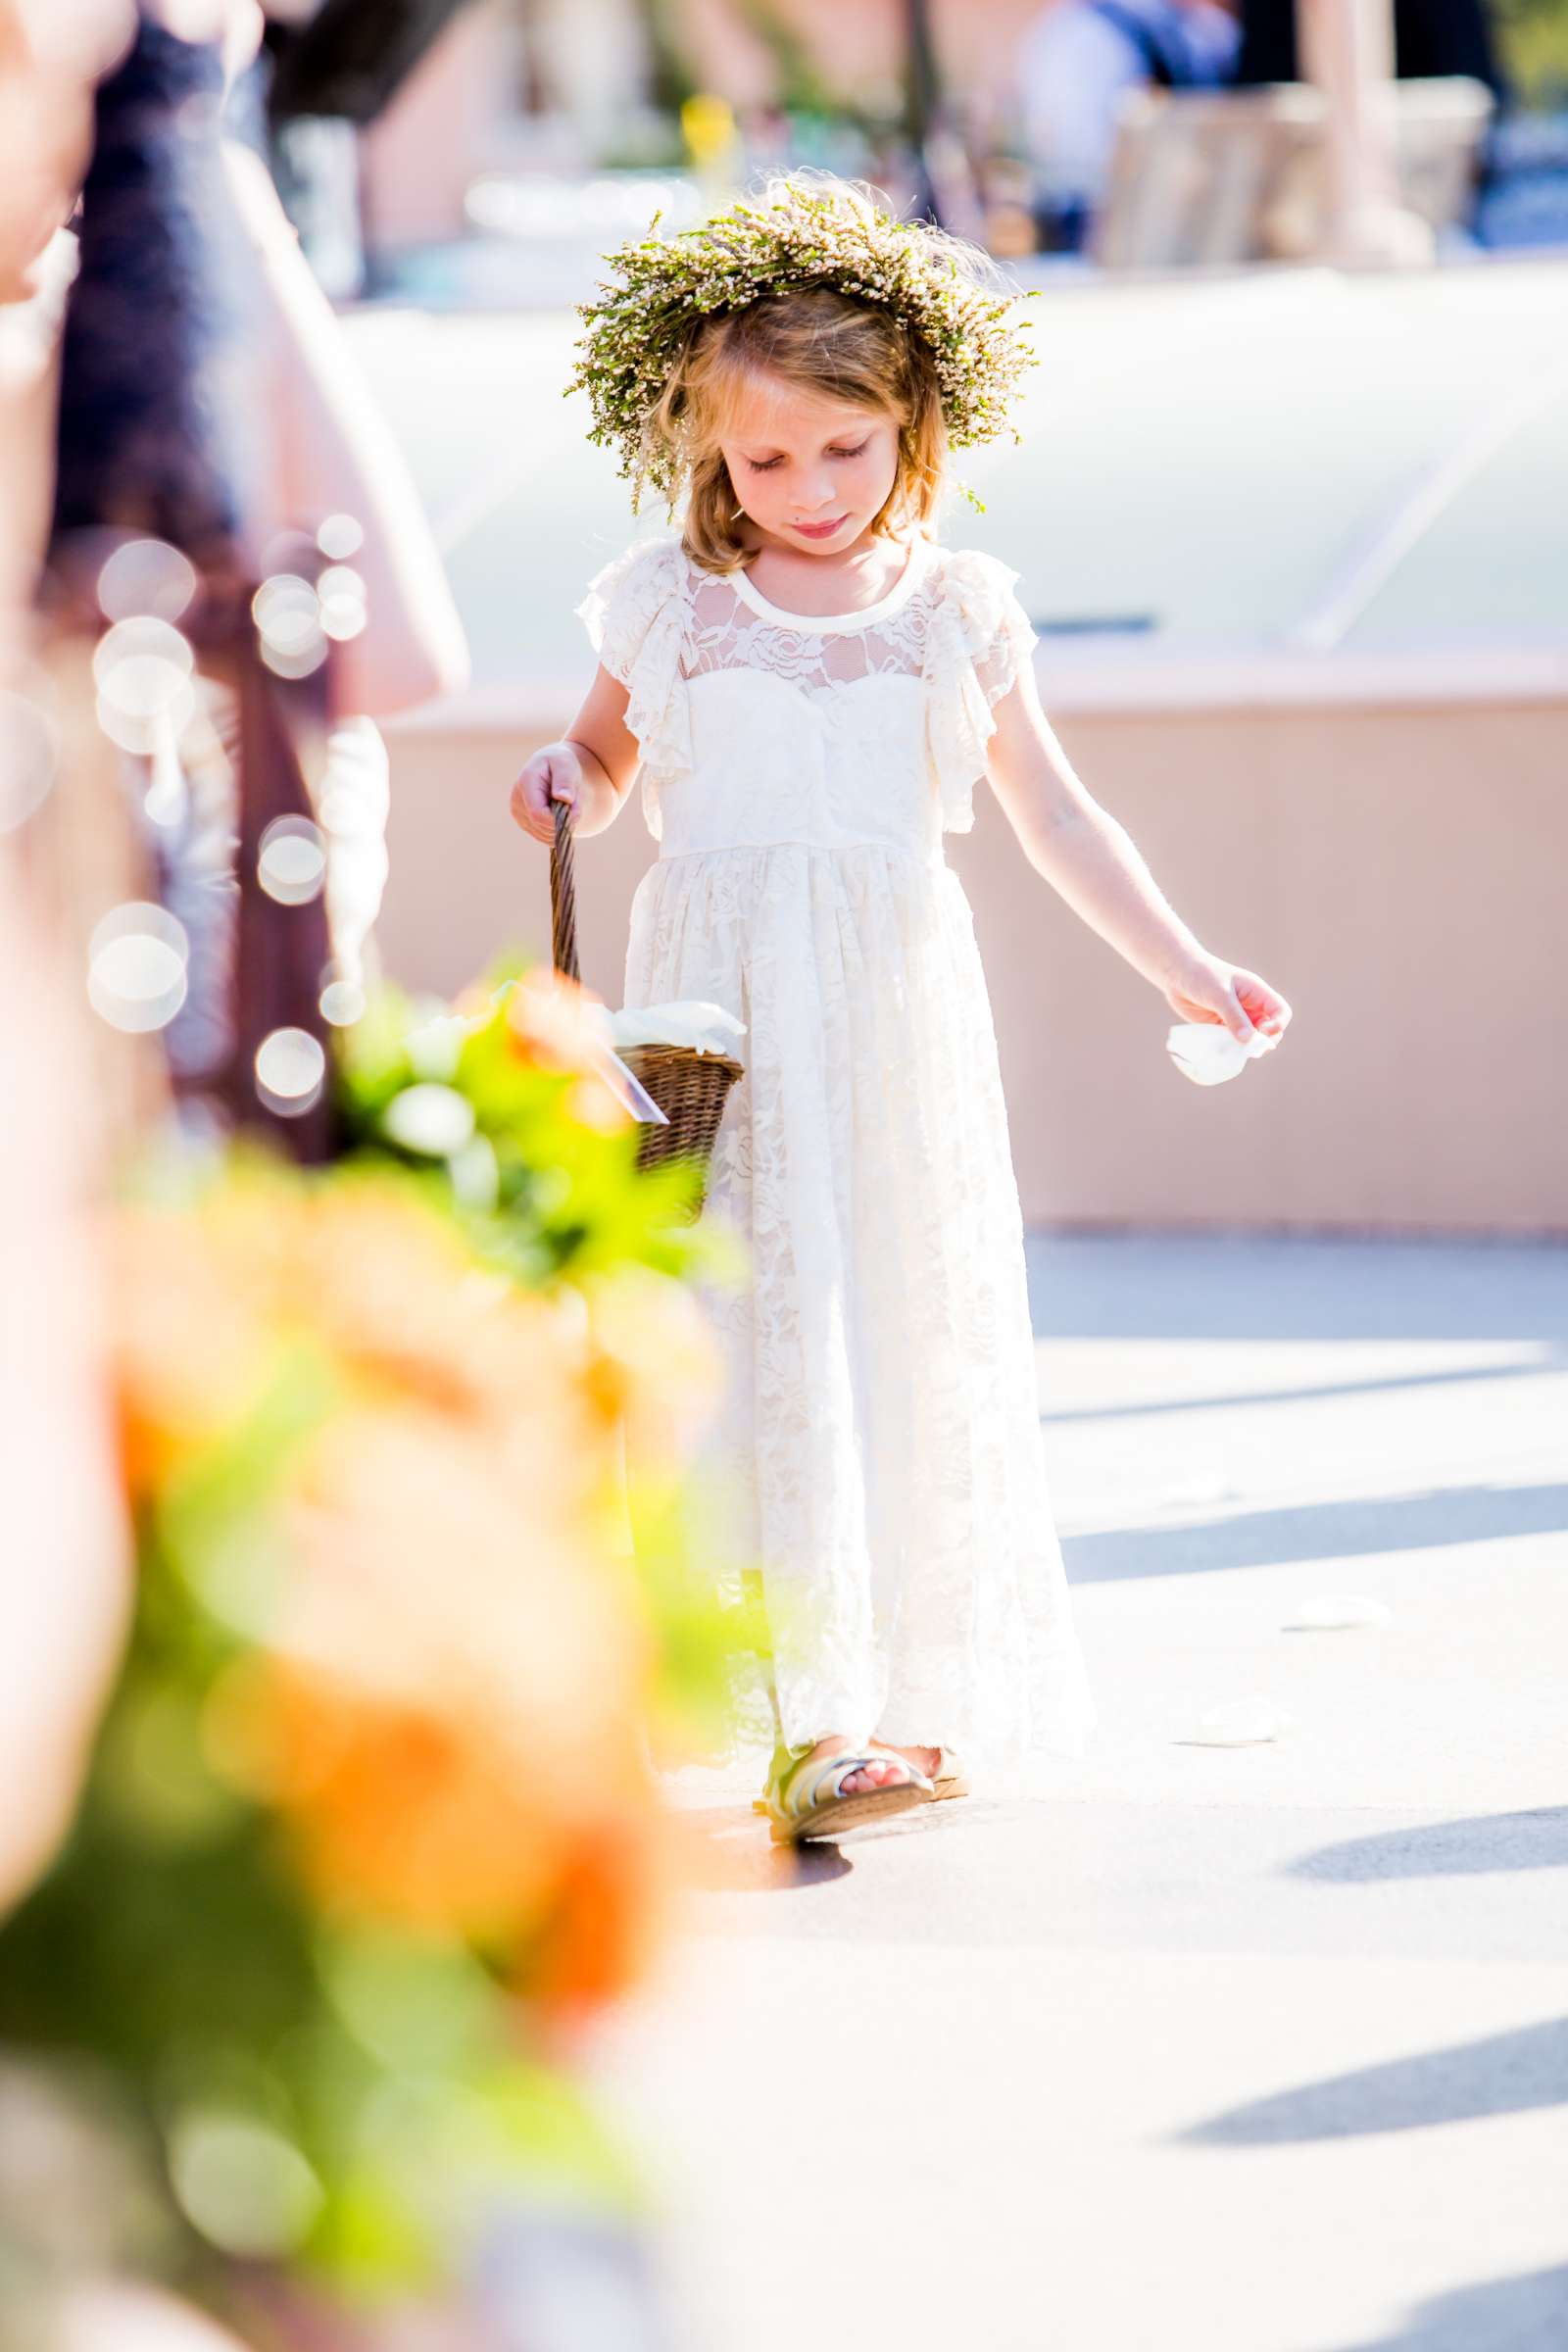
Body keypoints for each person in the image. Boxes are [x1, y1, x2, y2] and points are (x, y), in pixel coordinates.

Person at [509, 175, 1292, 1843]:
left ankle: (889, 1701)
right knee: (738, 1335)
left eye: (842, 450)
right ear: (705, 449)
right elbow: (602, 754)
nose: (805, 489)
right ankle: (776, 1700)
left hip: (891, 1025)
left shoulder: (956, 611)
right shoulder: (666, 601)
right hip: (715, 1029)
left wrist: (1182, 963)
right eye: (763, 457)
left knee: (891, 1319)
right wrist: (561, 778)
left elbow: (1060, 817)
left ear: (914, 426)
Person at [1018, 0, 1241, 249]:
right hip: (1110, 227)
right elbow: (1078, 155)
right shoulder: (1082, 33)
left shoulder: (1207, 30)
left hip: (1199, 222)